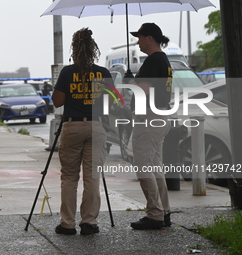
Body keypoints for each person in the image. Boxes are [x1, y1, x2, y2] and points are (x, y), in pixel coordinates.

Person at [52, 28, 113, 235]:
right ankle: (89, 222)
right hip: (97, 126)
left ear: (74, 48)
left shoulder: (68, 72)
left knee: (69, 177)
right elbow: (108, 104)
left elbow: (57, 102)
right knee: (92, 176)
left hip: (72, 125)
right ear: (92, 49)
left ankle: (67, 223)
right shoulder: (103, 73)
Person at [128, 23, 173, 230]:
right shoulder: (163, 59)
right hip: (160, 115)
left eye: (140, 37)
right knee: (155, 166)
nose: (137, 42)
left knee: (143, 164)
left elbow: (142, 91)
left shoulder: (153, 60)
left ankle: (155, 214)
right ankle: (163, 211)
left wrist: (131, 83)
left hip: (149, 116)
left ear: (150, 38)